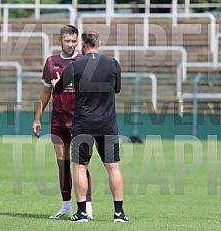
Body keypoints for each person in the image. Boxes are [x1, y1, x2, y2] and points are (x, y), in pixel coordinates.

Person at [52, 28, 129, 222]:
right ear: (99, 44)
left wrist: (56, 83)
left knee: (79, 167)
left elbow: (60, 89)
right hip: (107, 124)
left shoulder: (75, 65)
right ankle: (119, 213)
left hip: (83, 124)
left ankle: (82, 213)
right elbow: (117, 89)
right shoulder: (113, 64)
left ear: (83, 45)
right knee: (113, 167)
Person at [32, 25, 93, 219]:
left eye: (74, 41)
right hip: (58, 121)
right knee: (62, 164)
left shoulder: (83, 61)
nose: (71, 45)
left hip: (79, 121)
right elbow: (46, 92)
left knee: (81, 165)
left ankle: (87, 207)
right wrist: (37, 118)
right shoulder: (51, 62)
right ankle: (66, 206)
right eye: (67, 41)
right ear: (60, 40)